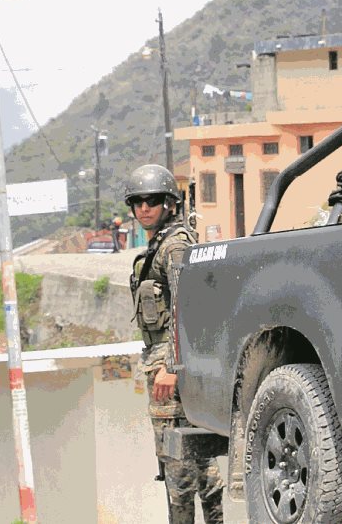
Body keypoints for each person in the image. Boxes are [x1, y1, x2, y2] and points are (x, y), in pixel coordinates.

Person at [126, 164, 223, 523]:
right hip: (167, 362)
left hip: (172, 368)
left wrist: (171, 366)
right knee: (190, 464)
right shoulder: (161, 244)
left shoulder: (174, 245)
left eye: (152, 201)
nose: (143, 208)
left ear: (169, 203)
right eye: (137, 202)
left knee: (180, 469)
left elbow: (188, 307)